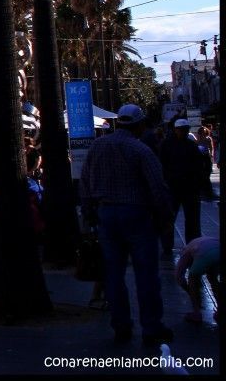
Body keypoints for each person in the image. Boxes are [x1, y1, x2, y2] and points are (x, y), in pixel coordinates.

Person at [80, 103, 174, 347]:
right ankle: (151, 327)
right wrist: (165, 218)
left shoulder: (97, 147)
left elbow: (86, 182)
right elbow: (157, 186)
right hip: (137, 215)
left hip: (106, 215)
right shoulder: (140, 149)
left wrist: (89, 214)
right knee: (146, 274)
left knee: (113, 274)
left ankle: (120, 325)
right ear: (139, 124)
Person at [160, 118, 206, 251]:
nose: (184, 132)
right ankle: (169, 245)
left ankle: (191, 245)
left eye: (185, 130)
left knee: (189, 220)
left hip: (186, 188)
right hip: (175, 188)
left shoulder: (190, 145)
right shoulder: (169, 145)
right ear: (175, 130)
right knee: (173, 218)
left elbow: (199, 167)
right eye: (181, 130)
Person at [174, 236, 220, 324]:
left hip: (204, 253)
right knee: (213, 279)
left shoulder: (185, 252)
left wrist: (189, 290)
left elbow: (179, 276)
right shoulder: (194, 244)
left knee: (192, 279)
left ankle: (196, 313)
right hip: (218, 248)